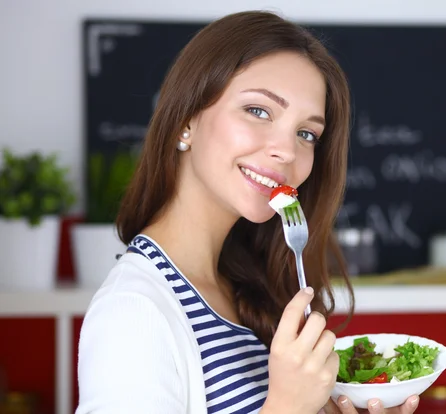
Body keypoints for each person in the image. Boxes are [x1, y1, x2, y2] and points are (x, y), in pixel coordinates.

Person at [75, 10, 420, 414]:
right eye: (259, 111)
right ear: (186, 119)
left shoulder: (249, 284)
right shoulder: (132, 312)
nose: (287, 150)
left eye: (306, 133)